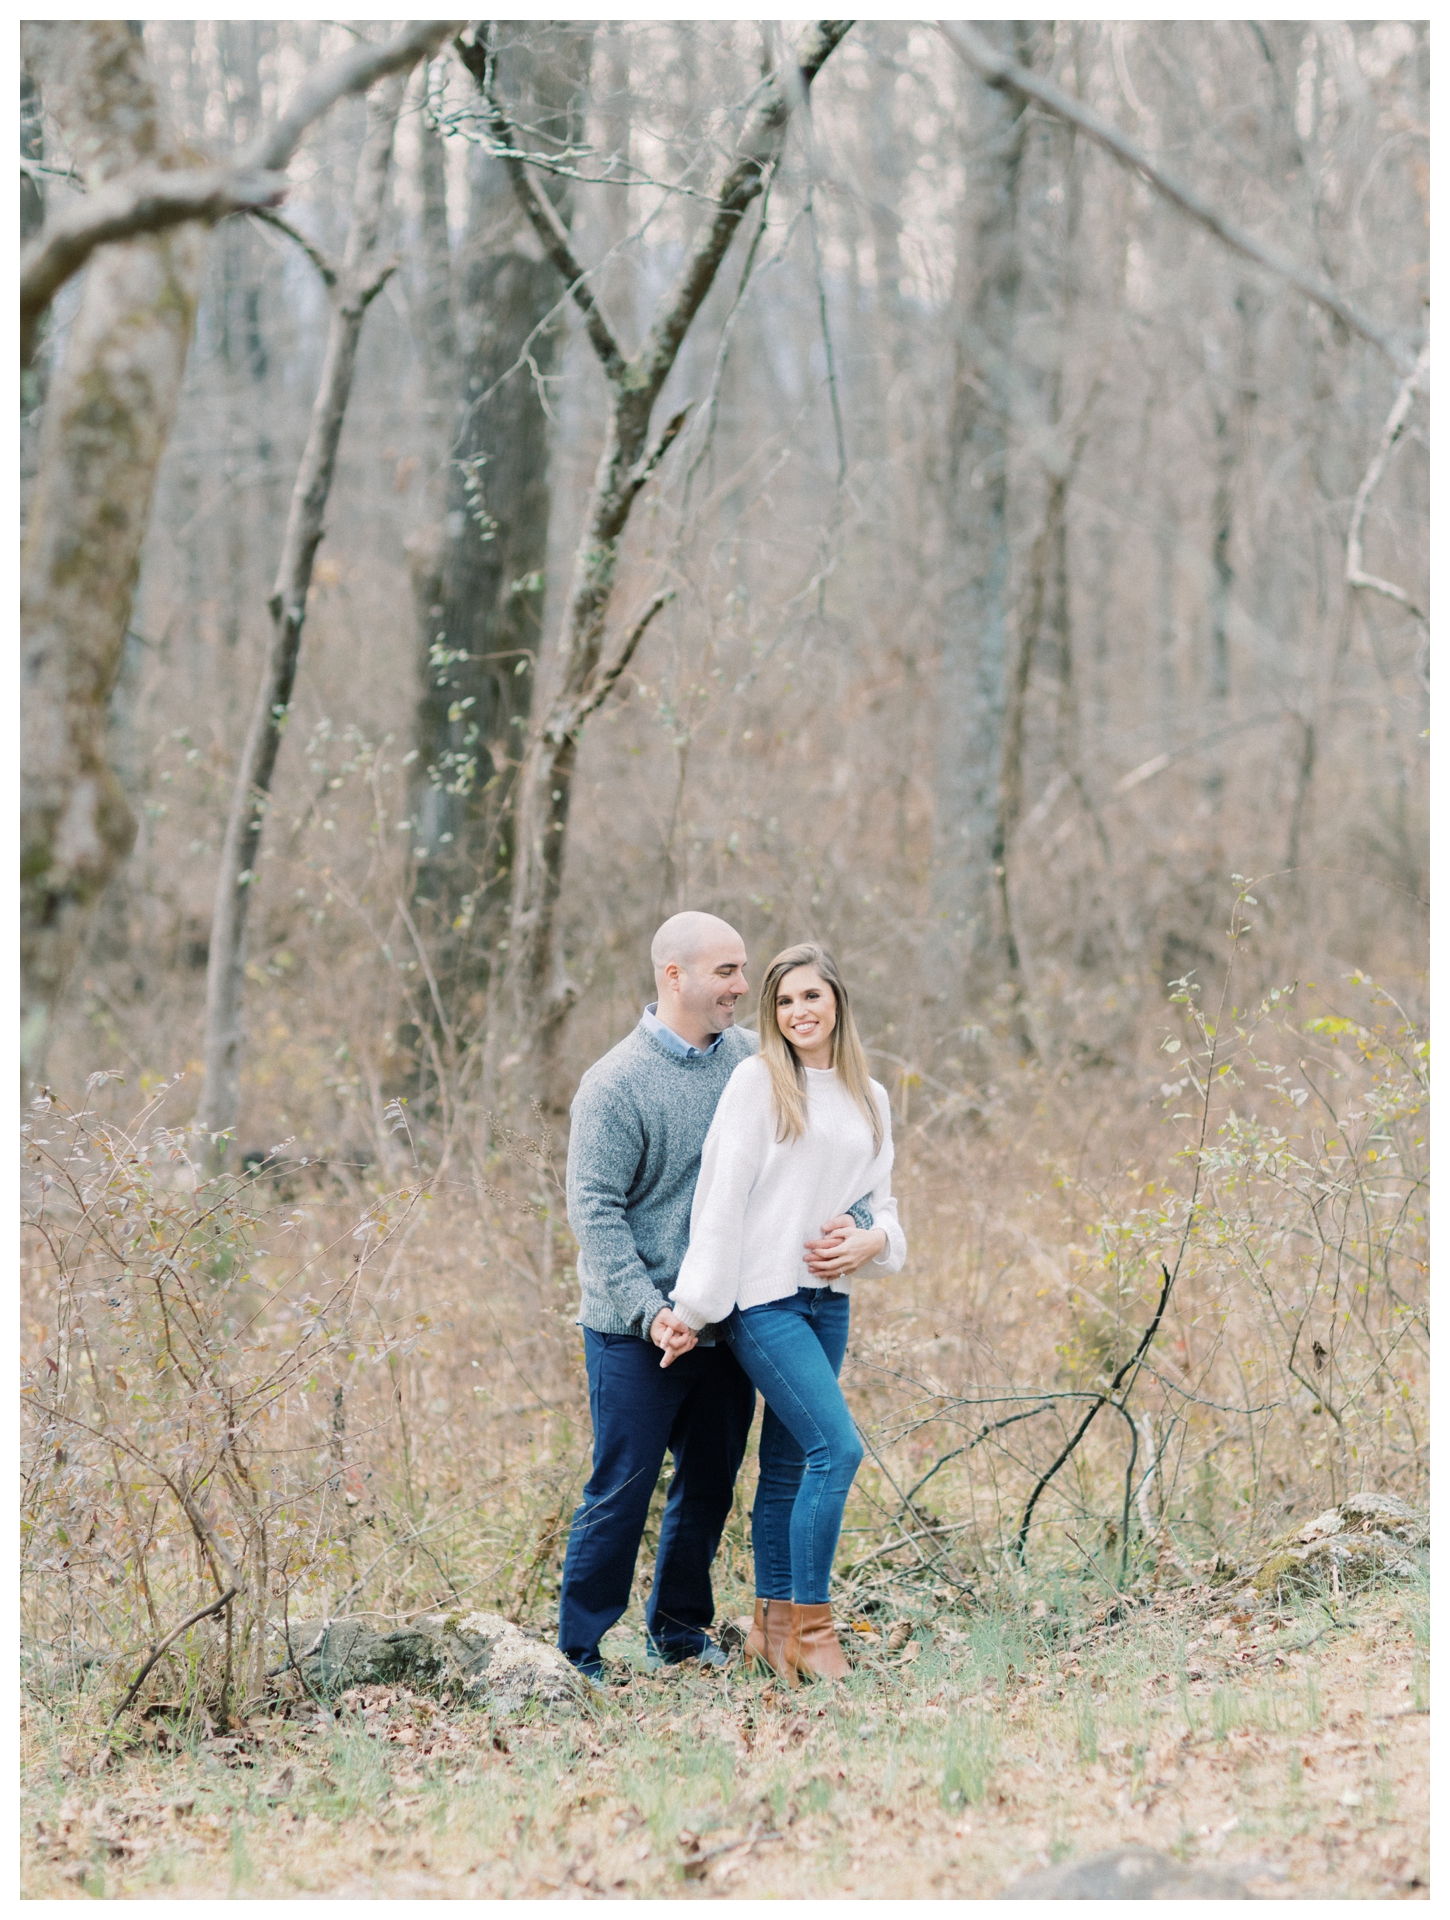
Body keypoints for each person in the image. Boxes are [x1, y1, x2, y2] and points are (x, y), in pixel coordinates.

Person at [557, 912, 883, 1680]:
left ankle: (678, 1635)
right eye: (728, 972)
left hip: (730, 1321)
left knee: (708, 1487)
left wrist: (868, 1226)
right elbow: (595, 1213)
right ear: (674, 977)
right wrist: (651, 1308)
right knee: (623, 1488)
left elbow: (830, 1162)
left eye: (744, 971)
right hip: (633, 1328)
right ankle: (579, 1650)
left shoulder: (757, 1063)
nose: (745, 986)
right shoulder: (614, 1085)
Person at [668, 942, 906, 1686]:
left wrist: (873, 1239)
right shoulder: (758, 1083)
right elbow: (721, 1198)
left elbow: (883, 1206)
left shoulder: (871, 1096)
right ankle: (815, 1630)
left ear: (838, 1000)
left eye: (812, 996)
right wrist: (696, 1307)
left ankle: (772, 1638)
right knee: (839, 1450)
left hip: (826, 1300)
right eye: (784, 1001)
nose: (799, 1012)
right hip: (761, 1300)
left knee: (789, 1466)